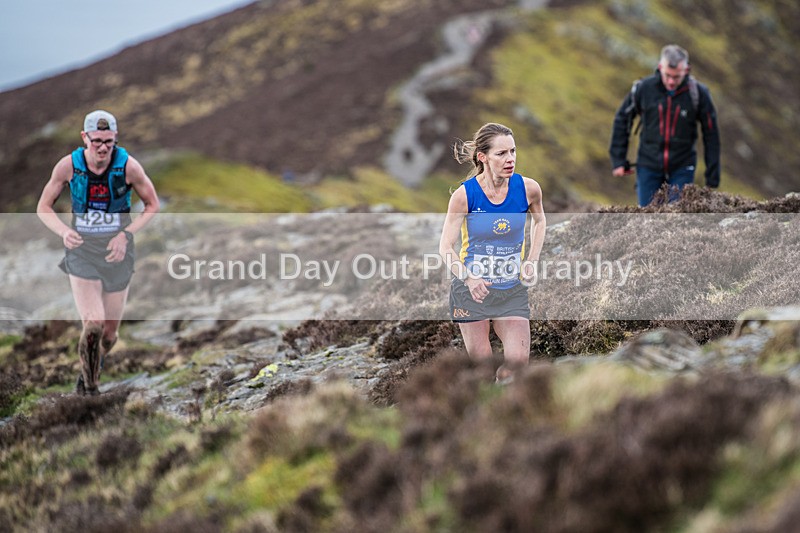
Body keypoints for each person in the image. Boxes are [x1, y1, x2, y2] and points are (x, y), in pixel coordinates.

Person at [37, 110, 160, 395]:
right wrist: (63, 231)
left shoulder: (129, 167)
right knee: (93, 324)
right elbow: (43, 207)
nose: (103, 147)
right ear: (85, 138)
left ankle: (88, 373)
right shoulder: (68, 167)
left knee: (109, 334)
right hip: (82, 252)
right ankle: (90, 392)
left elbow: (152, 204)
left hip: (118, 254)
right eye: (97, 141)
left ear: (115, 138)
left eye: (108, 141)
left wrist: (125, 234)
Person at [439, 122, 546, 383]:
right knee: (484, 372)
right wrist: (468, 277)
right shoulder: (465, 196)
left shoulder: (528, 189)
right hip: (471, 292)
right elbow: (445, 247)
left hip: (511, 290)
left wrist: (531, 261)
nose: (510, 159)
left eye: (513, 151)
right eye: (501, 154)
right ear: (483, 157)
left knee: (517, 368)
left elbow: (540, 221)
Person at [609, 44, 721, 206]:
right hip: (648, 165)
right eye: (667, 75)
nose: (671, 81)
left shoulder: (698, 94)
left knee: (677, 217)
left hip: (682, 166)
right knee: (648, 220)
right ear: (660, 67)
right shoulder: (643, 89)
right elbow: (622, 119)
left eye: (676, 77)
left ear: (686, 70)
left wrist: (712, 176)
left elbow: (711, 134)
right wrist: (618, 159)